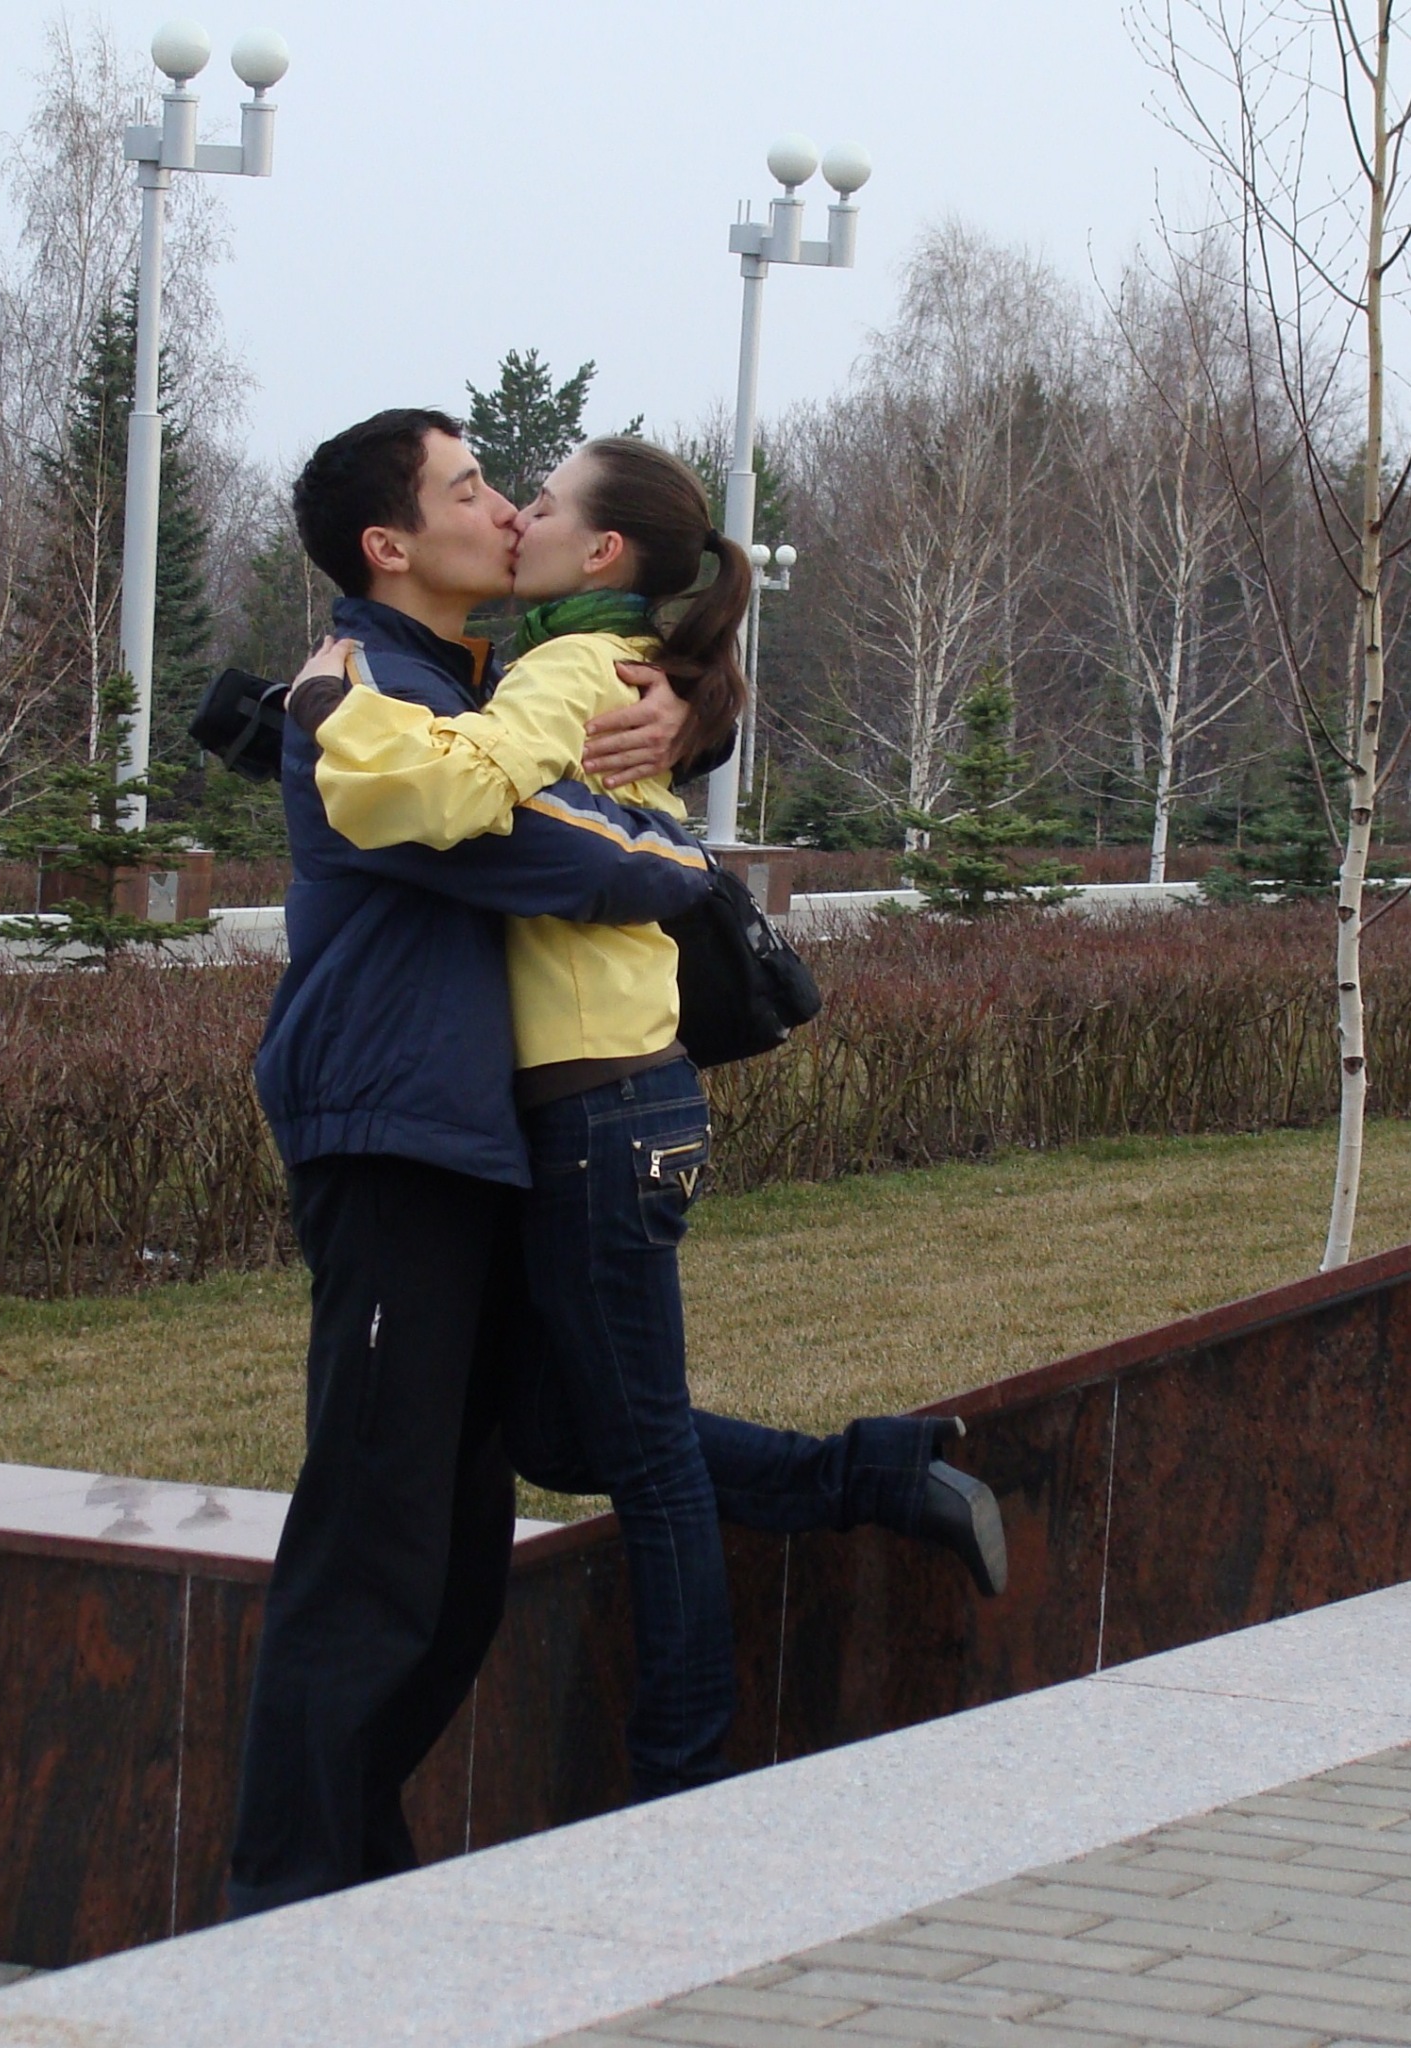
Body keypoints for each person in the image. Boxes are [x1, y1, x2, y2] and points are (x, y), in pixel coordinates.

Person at [303, 435, 1008, 1804]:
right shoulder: (595, 658)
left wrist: (332, 710)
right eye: (495, 495)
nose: (516, 516)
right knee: (559, 1433)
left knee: (643, 1460)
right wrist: (698, 705)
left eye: (540, 501)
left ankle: (682, 1772)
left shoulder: (569, 666)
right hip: (611, 1104)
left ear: (604, 550)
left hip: (601, 1110)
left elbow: (445, 787)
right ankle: (875, 1477)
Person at [228, 410, 716, 1916]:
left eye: (512, 486)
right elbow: (561, 853)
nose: (506, 508)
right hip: (390, 1137)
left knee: (454, 1554)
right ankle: (283, 1909)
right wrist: (683, 861)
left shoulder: (460, 682)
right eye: (471, 486)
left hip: (472, 1139)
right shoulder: (363, 690)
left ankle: (359, 1886)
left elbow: (582, 729)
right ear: (392, 545)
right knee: (375, 1541)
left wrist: (688, 716)